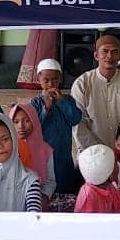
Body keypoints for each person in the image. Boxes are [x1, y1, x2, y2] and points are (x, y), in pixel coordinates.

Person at [70, 35, 120, 151]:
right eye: (105, 51)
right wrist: (97, 151)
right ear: (96, 55)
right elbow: (78, 122)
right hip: (91, 151)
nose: (109, 56)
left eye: (114, 52)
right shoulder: (82, 84)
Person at [29, 58, 82, 197]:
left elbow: (75, 119)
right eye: (46, 80)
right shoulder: (35, 103)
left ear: (60, 79)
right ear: (39, 79)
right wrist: (46, 108)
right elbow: (33, 128)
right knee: (45, 187)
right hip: (43, 156)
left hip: (64, 155)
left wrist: (62, 102)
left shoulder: (68, 100)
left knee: (65, 188)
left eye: (55, 79)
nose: (51, 84)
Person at [9, 101, 55, 202]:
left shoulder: (45, 150)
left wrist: (44, 196)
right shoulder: (8, 149)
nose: (21, 126)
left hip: (39, 198)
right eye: (16, 122)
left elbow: (51, 181)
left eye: (27, 120)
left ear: (34, 121)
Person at [75, 145, 120, 214]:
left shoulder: (109, 187)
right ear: (111, 176)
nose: (118, 164)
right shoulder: (88, 198)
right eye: (115, 163)